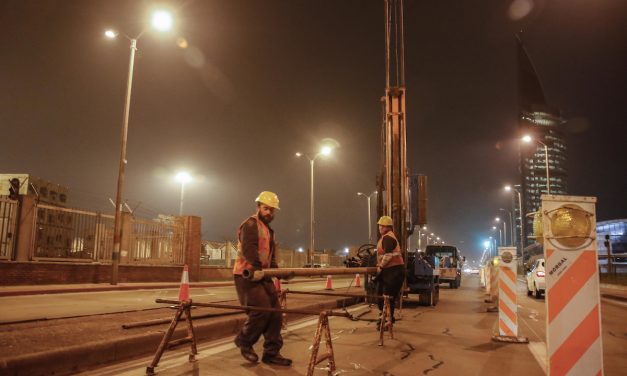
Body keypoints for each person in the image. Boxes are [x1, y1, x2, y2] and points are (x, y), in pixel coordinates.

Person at [232, 191, 292, 366]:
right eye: (266, 209)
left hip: (263, 275)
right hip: (247, 275)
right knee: (261, 310)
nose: (269, 213)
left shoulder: (268, 230)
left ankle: (271, 353)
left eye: (272, 210)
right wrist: (256, 268)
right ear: (258, 207)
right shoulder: (250, 224)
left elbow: (271, 255)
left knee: (276, 314)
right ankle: (244, 341)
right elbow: (249, 249)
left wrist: (276, 272)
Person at [374, 215, 405, 330]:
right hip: (393, 271)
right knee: (385, 295)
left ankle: (387, 320)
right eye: (380, 226)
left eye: (382, 226)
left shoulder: (388, 238)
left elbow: (388, 255)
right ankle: (386, 317)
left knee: (387, 296)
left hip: (393, 271)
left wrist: (381, 266)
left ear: (388, 227)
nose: (380, 228)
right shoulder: (388, 237)